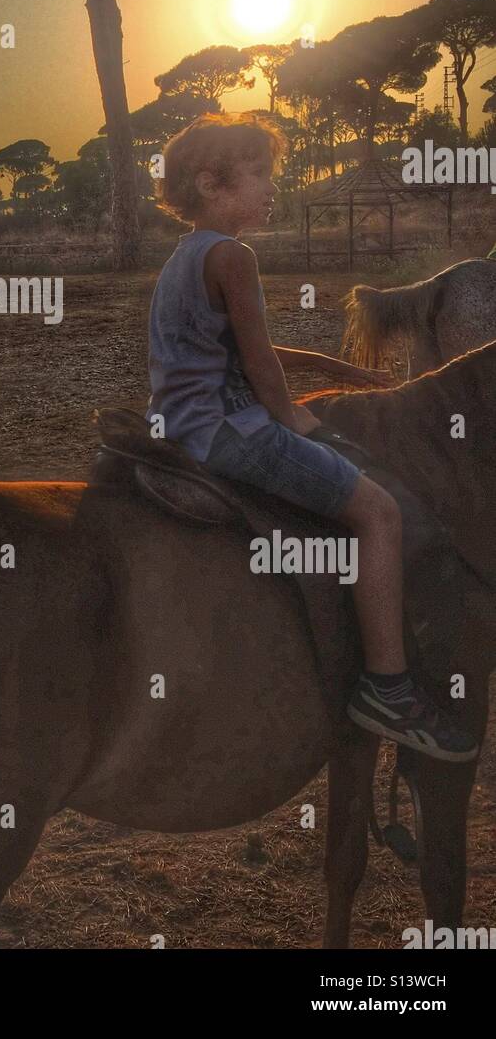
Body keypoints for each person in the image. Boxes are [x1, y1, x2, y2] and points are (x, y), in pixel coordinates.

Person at [147, 113, 477, 762]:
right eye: (261, 175)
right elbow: (261, 367)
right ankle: (388, 687)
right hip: (228, 430)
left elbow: (246, 348)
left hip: (183, 425)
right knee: (379, 511)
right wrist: (293, 419)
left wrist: (337, 369)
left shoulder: (185, 258)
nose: (274, 188)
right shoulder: (233, 256)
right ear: (212, 182)